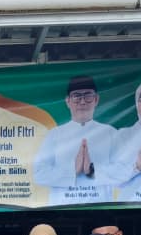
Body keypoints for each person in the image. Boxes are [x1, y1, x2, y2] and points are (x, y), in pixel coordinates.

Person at [33, 75, 116, 205]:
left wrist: (92, 170)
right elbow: (39, 173)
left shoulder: (110, 132)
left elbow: (124, 169)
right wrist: (72, 171)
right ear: (68, 101)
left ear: (96, 99)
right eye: (77, 96)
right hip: (63, 209)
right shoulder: (54, 134)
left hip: (100, 206)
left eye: (88, 96)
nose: (82, 102)